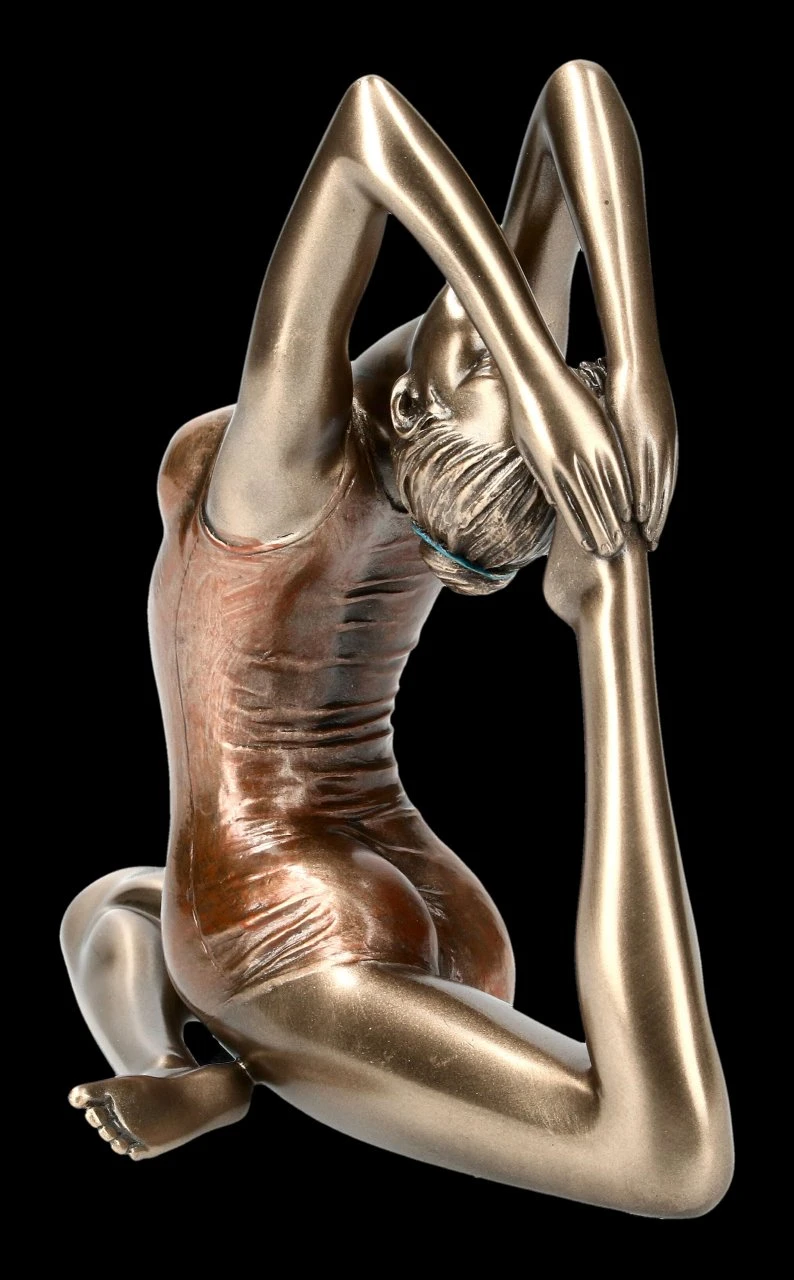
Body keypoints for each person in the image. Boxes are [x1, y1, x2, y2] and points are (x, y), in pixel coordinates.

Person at [61, 63, 732, 1216]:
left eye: (481, 360)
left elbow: (366, 122)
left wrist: (612, 606)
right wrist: (630, 368)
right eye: (503, 350)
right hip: (444, 910)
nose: (482, 324)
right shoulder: (455, 413)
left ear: (416, 407)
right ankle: (220, 1056)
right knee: (119, 902)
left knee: (663, 1159)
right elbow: (574, 95)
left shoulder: (285, 471)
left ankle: (191, 1064)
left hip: (269, 920)